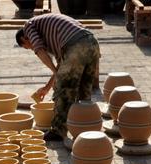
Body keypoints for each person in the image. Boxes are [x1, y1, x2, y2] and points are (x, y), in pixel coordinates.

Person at [16, 13, 101, 142]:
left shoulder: (28, 26)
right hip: (92, 43)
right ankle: (85, 128)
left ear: (25, 38)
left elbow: (39, 51)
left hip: (76, 46)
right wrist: (46, 88)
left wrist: (57, 75)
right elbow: (61, 67)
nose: (31, 48)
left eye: (27, 46)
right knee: (84, 89)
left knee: (63, 89)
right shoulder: (55, 38)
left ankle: (57, 131)